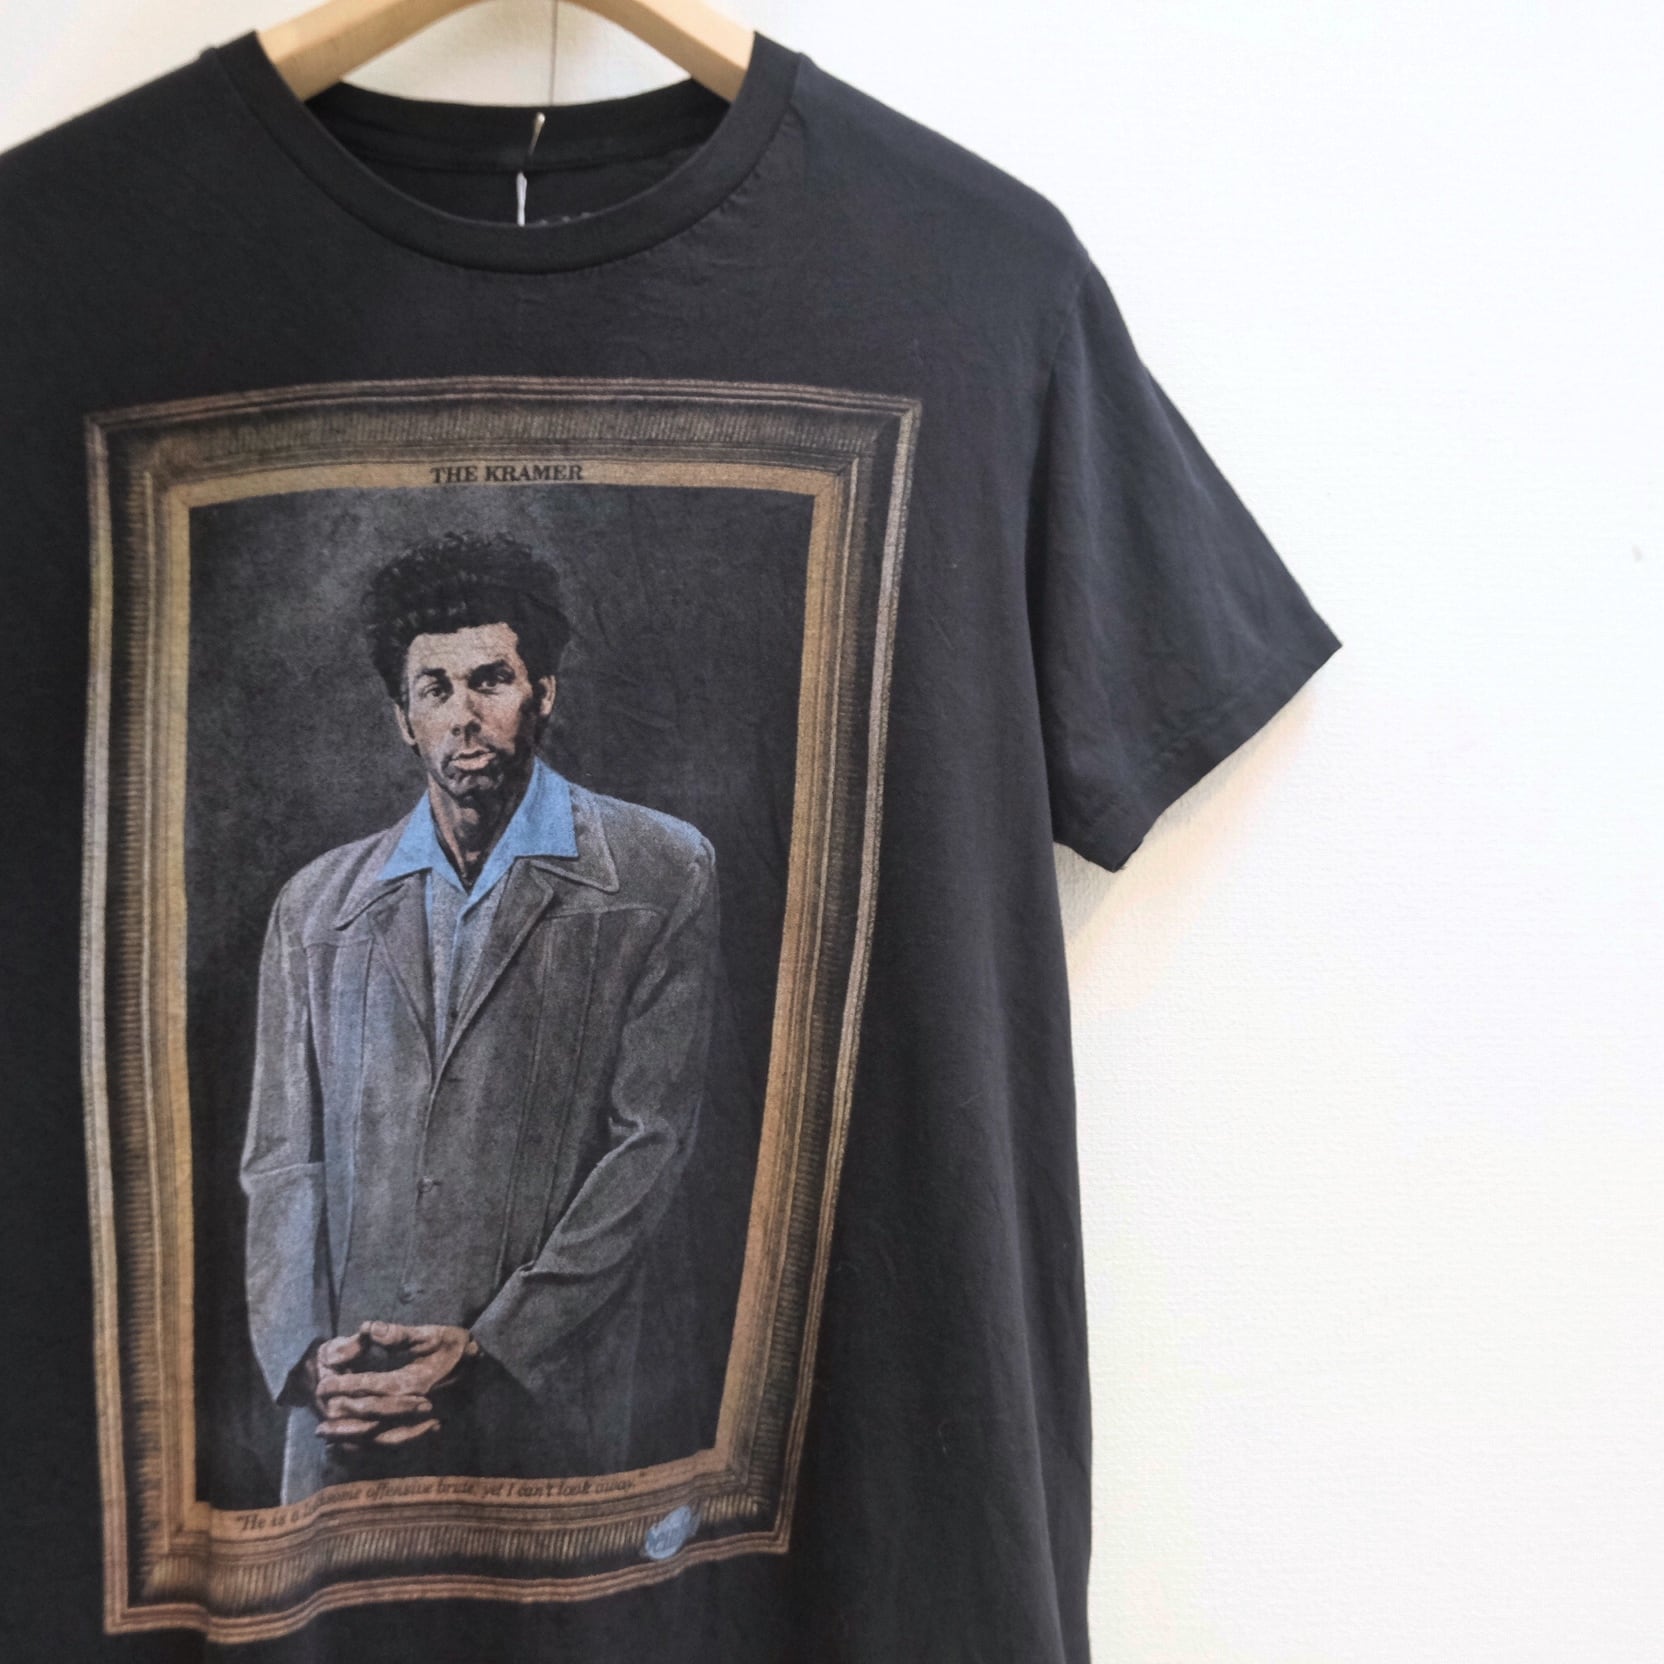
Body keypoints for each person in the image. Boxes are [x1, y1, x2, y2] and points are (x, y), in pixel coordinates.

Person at [239, 530, 722, 1504]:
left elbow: (650, 1145)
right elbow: (281, 1160)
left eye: (491, 680)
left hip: (542, 1411)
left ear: (544, 692)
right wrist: (310, 1360)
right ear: (401, 718)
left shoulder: (662, 871)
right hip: (349, 1418)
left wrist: (492, 1345)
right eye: (435, 688)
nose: (464, 715)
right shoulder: (314, 905)